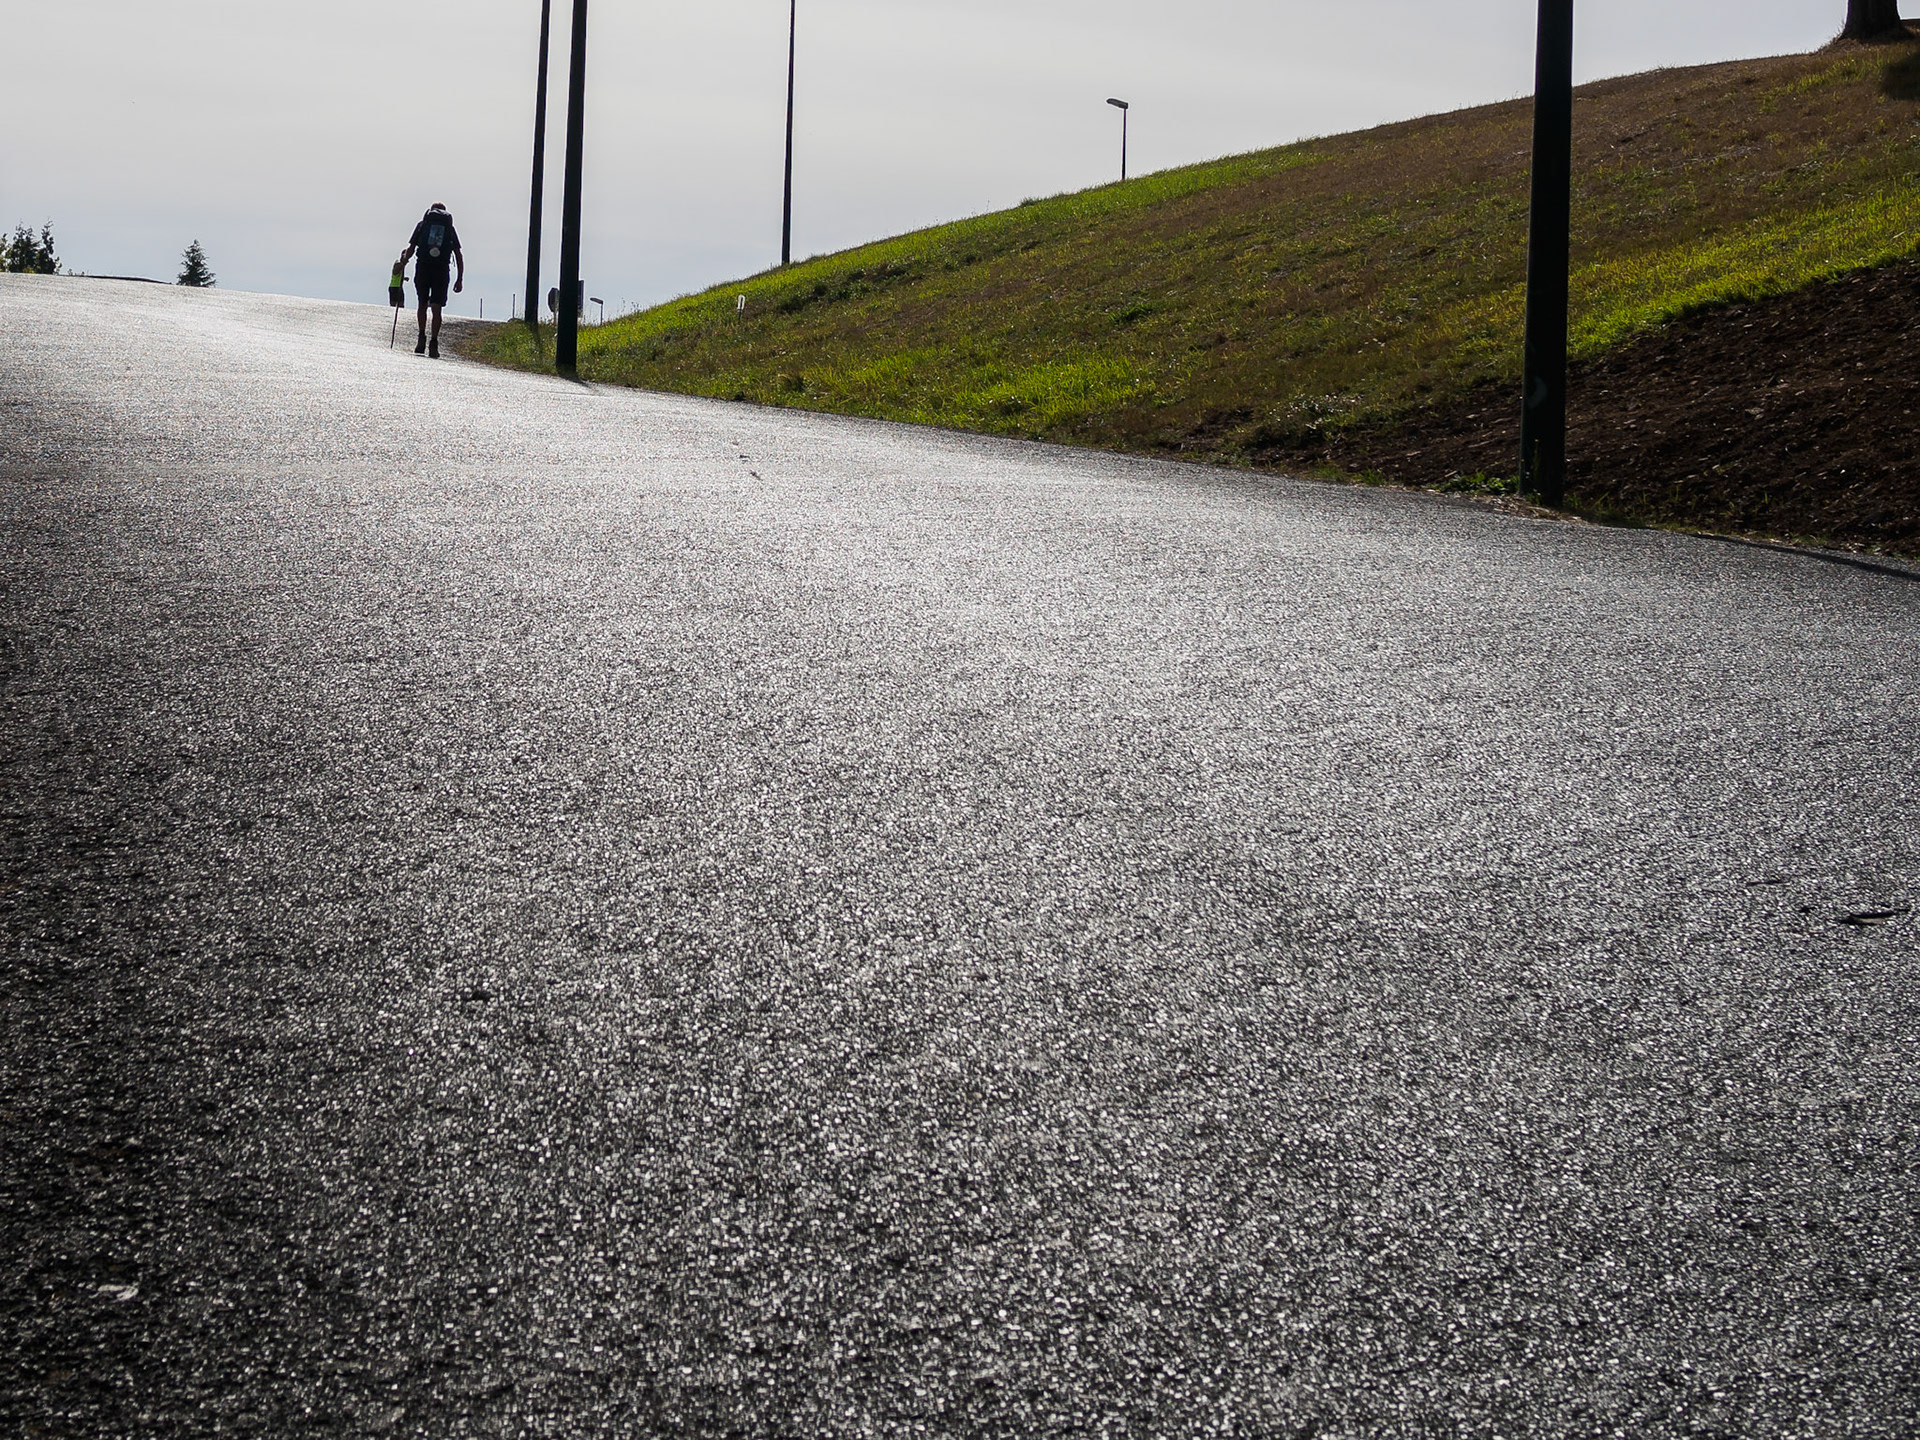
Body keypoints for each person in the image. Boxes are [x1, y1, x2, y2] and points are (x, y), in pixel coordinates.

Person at [399, 203, 464, 358]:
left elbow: (411, 249)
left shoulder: (422, 225)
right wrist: (459, 278)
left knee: (422, 304)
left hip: (423, 267)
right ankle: (434, 343)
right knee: (436, 308)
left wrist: (403, 262)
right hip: (441, 270)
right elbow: (458, 255)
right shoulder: (449, 228)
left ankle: (421, 337)